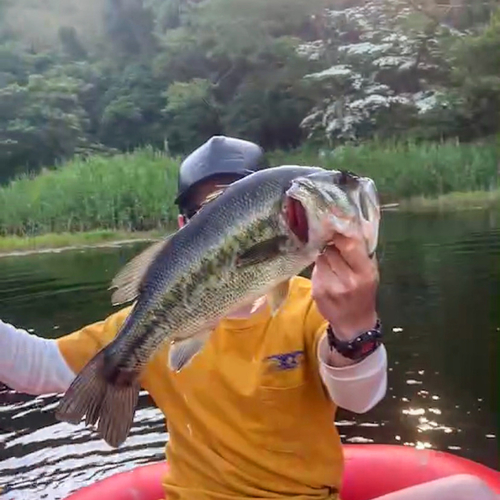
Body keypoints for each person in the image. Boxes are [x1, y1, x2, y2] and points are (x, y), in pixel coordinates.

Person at [0, 136, 497, 500]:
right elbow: (37, 365)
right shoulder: (150, 321)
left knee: (473, 493)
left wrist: (355, 325)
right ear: (182, 230)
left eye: (238, 197)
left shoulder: (310, 304)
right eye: (207, 210)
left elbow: (361, 398)